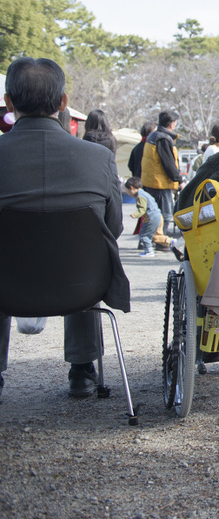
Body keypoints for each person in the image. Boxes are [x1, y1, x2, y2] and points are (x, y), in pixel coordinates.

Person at [0, 57, 128, 400]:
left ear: (9, 102)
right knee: (84, 251)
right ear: (63, 103)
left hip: (5, 286)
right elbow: (112, 228)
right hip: (81, 287)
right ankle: (83, 369)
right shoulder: (99, 158)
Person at [141, 110, 182, 233]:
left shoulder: (153, 136)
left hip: (150, 181)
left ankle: (148, 241)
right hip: (160, 183)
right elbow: (168, 163)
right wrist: (178, 179)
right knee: (164, 215)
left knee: (152, 214)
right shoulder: (163, 138)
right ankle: (159, 241)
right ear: (172, 124)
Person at [125, 177, 163, 257]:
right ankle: (171, 241)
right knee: (151, 235)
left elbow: (142, 209)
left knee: (144, 235)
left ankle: (149, 251)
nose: (127, 192)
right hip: (156, 215)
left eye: (127, 190)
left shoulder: (140, 196)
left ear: (131, 188)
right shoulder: (144, 193)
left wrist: (134, 214)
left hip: (151, 218)